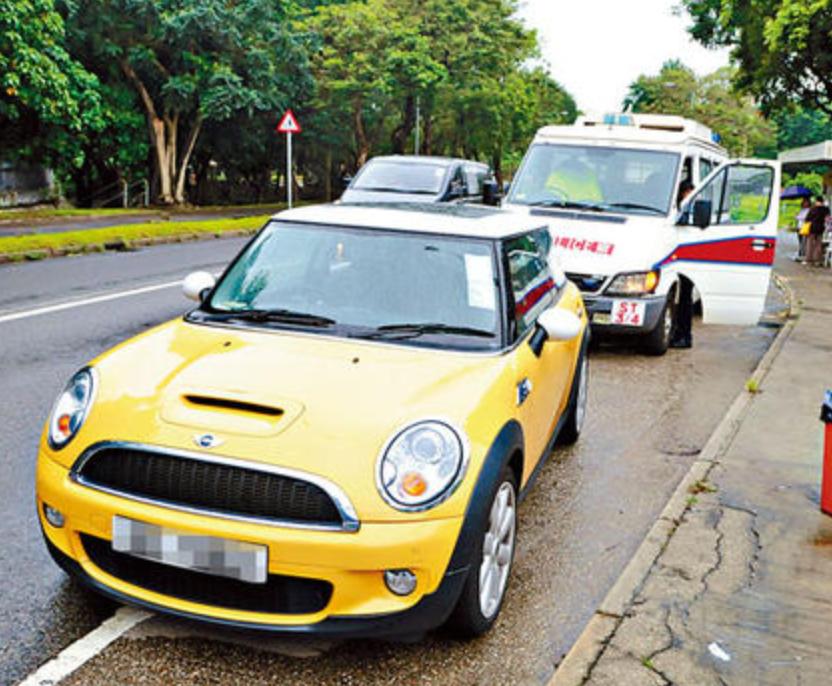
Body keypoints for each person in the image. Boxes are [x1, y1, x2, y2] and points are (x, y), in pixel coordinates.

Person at [670, 180, 696, 350]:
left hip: (688, 259)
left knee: (685, 299)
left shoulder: (689, 208)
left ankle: (684, 336)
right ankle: (679, 333)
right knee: (681, 299)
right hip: (681, 257)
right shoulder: (681, 207)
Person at [804, 196, 829, 266]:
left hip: (812, 228)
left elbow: (807, 219)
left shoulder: (813, 209)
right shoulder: (826, 209)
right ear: (822, 201)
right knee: (818, 244)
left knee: (810, 244)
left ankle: (809, 260)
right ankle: (817, 260)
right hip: (821, 228)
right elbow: (827, 218)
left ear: (816, 201)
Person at [794, 196, 811, 262]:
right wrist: (797, 216)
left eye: (805, 202)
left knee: (803, 241)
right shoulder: (802, 210)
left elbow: (804, 218)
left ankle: (802, 255)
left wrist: (797, 216)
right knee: (800, 241)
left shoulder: (809, 210)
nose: (804, 203)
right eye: (803, 202)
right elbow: (799, 217)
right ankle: (800, 254)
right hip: (799, 227)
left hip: (804, 228)